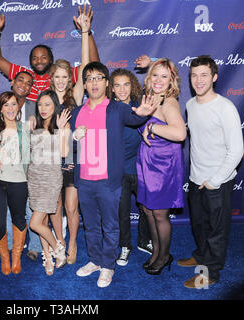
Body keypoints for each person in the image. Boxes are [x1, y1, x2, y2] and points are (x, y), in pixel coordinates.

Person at [70, 61, 155, 288]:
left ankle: (108, 265)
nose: (94, 83)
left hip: (109, 180)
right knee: (90, 224)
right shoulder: (77, 112)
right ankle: (95, 260)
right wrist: (73, 137)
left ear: (106, 83)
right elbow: (68, 147)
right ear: (85, 84)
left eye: (99, 78)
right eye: (90, 79)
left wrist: (145, 114)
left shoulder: (116, 109)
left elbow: (135, 118)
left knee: (110, 225)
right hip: (85, 180)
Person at [178, 55, 244, 288]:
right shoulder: (190, 105)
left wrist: (214, 180)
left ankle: (210, 273)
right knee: (199, 225)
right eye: (194, 75)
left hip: (218, 181)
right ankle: (200, 255)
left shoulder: (225, 108)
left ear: (214, 77)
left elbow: (237, 151)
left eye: (204, 75)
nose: (198, 80)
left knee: (216, 231)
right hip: (196, 180)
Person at [46, 12, 91, 265]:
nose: (61, 80)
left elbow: (84, 67)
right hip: (52, 159)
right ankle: (59, 243)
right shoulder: (44, 100)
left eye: (65, 76)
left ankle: (72, 242)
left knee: (72, 207)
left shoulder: (75, 95)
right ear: (51, 79)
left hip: (74, 157)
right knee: (56, 207)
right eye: (57, 77)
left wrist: (84, 32)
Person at [0, 4, 99, 102]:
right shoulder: (24, 77)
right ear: (30, 62)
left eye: (43, 57)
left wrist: (87, 32)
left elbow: (94, 66)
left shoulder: (61, 76)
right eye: (34, 58)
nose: (39, 61)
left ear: (51, 60)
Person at [135, 58, 187, 275]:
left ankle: (164, 256)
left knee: (159, 214)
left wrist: (154, 127)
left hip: (164, 165)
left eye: (164, 76)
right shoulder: (151, 97)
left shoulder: (169, 103)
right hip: (147, 161)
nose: (158, 80)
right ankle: (156, 251)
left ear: (171, 80)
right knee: (147, 210)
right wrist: (152, 61)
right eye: (154, 75)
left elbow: (180, 133)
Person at [108, 69, 152, 267]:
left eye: (126, 84)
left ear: (133, 85)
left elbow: (160, 86)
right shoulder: (109, 109)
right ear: (111, 88)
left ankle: (144, 240)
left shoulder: (140, 105)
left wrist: (150, 65)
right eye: (117, 85)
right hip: (120, 170)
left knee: (147, 208)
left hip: (143, 167)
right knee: (122, 211)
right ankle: (125, 246)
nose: (122, 89)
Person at [0, 91, 30, 275]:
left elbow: (29, 157)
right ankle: (4, 256)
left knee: (19, 219)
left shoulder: (24, 128)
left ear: (18, 106)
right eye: (6, 105)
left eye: (13, 104)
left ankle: (16, 257)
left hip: (18, 180)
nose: (10, 108)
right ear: (0, 108)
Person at [28, 90, 71, 275]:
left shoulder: (63, 125)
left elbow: (63, 153)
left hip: (51, 178)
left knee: (34, 223)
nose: (43, 108)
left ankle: (58, 249)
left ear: (55, 106)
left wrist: (61, 130)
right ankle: (47, 256)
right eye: (40, 104)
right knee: (43, 220)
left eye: (48, 104)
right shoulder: (34, 123)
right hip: (34, 177)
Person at [5, 71, 44, 261]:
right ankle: (11, 245)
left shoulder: (34, 108)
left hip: (30, 164)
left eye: (29, 83)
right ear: (12, 81)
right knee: (7, 208)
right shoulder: (2, 104)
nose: (24, 85)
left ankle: (35, 247)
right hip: (5, 165)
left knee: (31, 206)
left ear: (31, 89)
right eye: (20, 80)